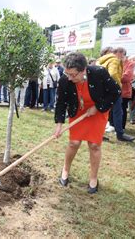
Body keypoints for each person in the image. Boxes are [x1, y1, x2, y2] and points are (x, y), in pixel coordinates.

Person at [54, 52, 120, 193]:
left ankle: (93, 178)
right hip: (78, 111)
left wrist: (97, 107)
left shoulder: (99, 73)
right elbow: (60, 102)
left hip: (97, 112)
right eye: (68, 74)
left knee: (94, 145)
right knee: (74, 143)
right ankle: (65, 169)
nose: (70, 78)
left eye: (73, 75)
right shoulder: (65, 80)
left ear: (83, 70)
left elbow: (115, 92)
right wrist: (59, 124)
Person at [97, 47, 134, 141]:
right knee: (118, 112)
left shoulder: (101, 60)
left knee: (103, 112)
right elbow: (112, 74)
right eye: (123, 54)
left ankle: (98, 133)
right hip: (113, 90)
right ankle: (120, 134)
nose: (123, 56)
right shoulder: (114, 60)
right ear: (119, 53)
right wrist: (118, 85)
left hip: (102, 89)